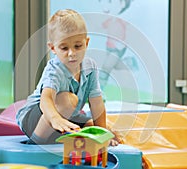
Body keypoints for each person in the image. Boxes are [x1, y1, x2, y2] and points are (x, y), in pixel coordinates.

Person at [16, 9, 120, 146]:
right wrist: (54, 118)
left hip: (67, 116)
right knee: (68, 101)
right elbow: (46, 98)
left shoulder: (90, 67)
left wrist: (102, 133)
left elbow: (97, 103)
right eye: (64, 48)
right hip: (36, 118)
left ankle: (58, 133)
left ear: (86, 43)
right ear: (53, 48)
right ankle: (36, 142)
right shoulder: (55, 69)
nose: (72, 53)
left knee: (97, 127)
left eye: (78, 46)